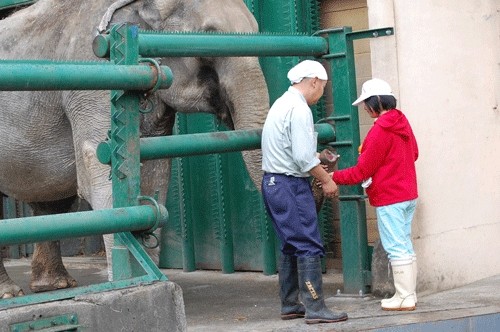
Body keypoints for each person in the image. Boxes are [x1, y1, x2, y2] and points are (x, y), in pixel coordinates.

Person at [261, 60, 348, 324]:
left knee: (291, 244)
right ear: (313, 82)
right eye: (322, 87)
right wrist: (326, 180)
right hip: (290, 185)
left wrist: (316, 155)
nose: (321, 93)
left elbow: (295, 151)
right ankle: (315, 307)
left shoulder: (281, 103)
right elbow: (301, 158)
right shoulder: (299, 110)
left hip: (275, 183)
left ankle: (290, 304)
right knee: (308, 244)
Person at [331, 78, 419, 311]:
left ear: (374, 103)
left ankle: (404, 296)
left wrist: (332, 178)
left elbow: (362, 171)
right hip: (408, 193)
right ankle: (408, 294)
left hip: (390, 197)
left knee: (395, 246)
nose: (365, 109)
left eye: (365, 105)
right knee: (405, 245)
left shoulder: (379, 130)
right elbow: (415, 154)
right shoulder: (402, 121)